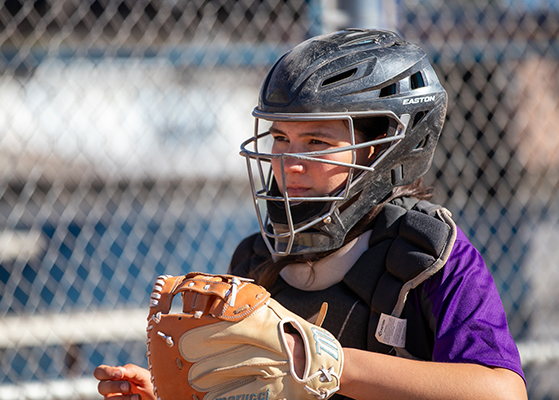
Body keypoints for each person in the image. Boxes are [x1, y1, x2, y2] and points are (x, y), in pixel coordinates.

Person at [95, 29, 527, 400]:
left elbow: (502, 390)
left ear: (380, 146)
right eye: (281, 137)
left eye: (317, 142)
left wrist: (329, 361)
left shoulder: (425, 254)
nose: (289, 162)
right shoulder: (258, 261)